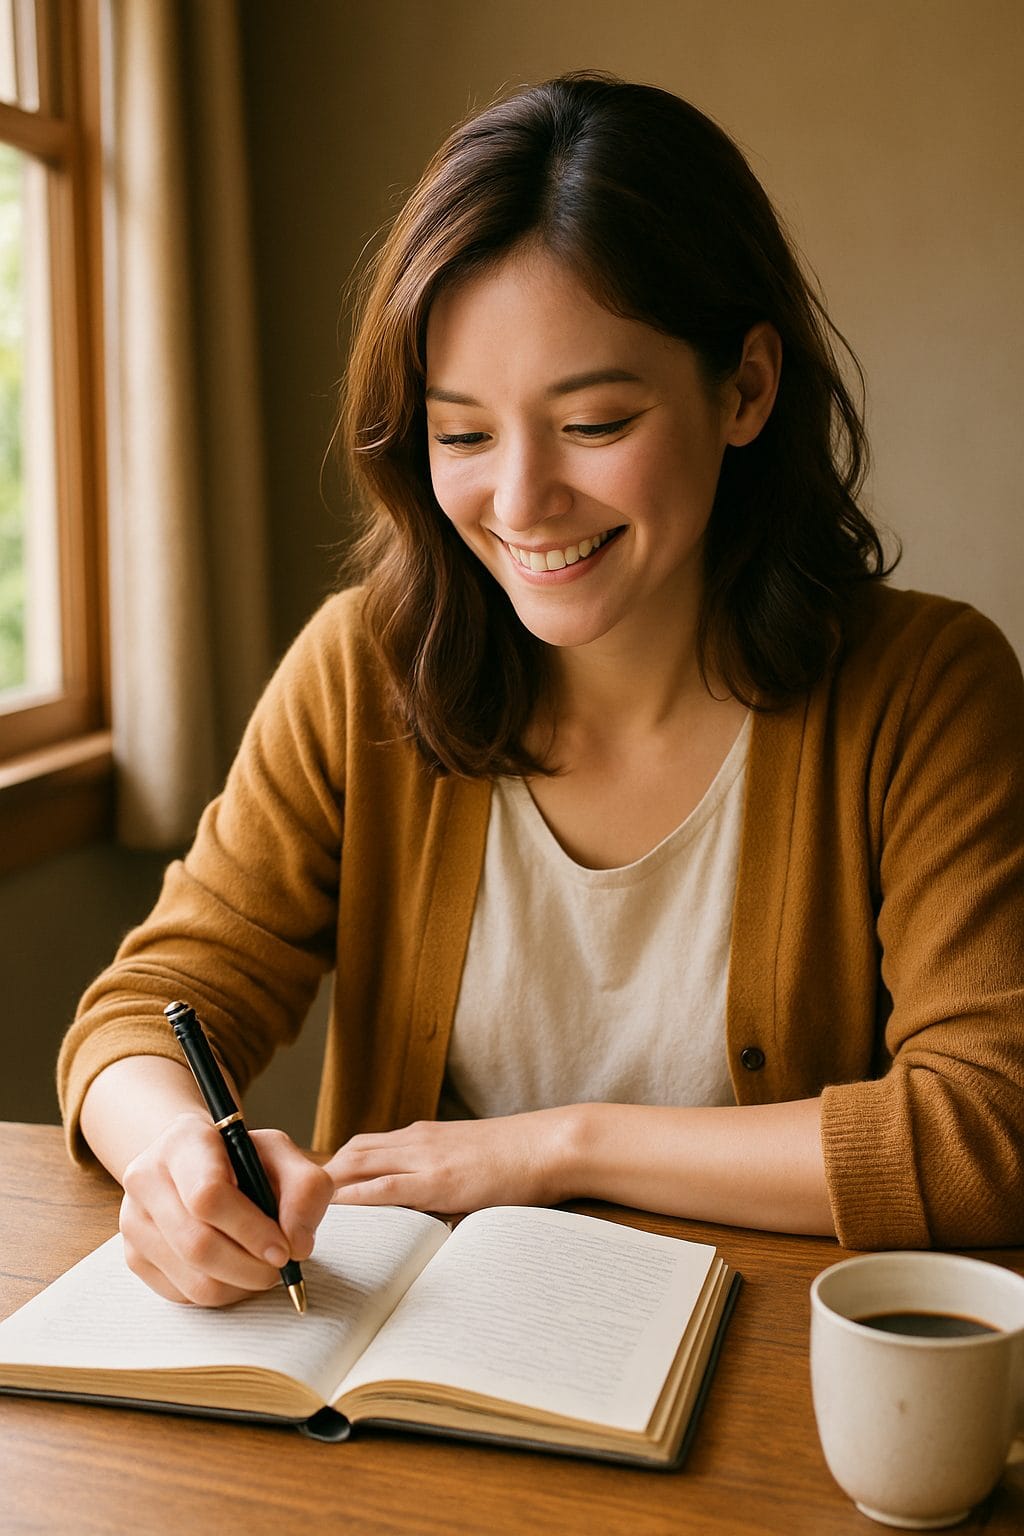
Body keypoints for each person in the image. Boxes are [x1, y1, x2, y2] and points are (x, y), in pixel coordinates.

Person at [59, 72, 1024, 1308]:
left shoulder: (925, 693)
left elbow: (992, 1121)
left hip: (769, 1402)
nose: (519, 505)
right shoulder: (364, 667)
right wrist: (172, 1162)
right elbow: (142, 1013)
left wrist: (558, 1145)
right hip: (418, 1388)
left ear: (745, 389)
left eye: (593, 422)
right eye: (461, 435)